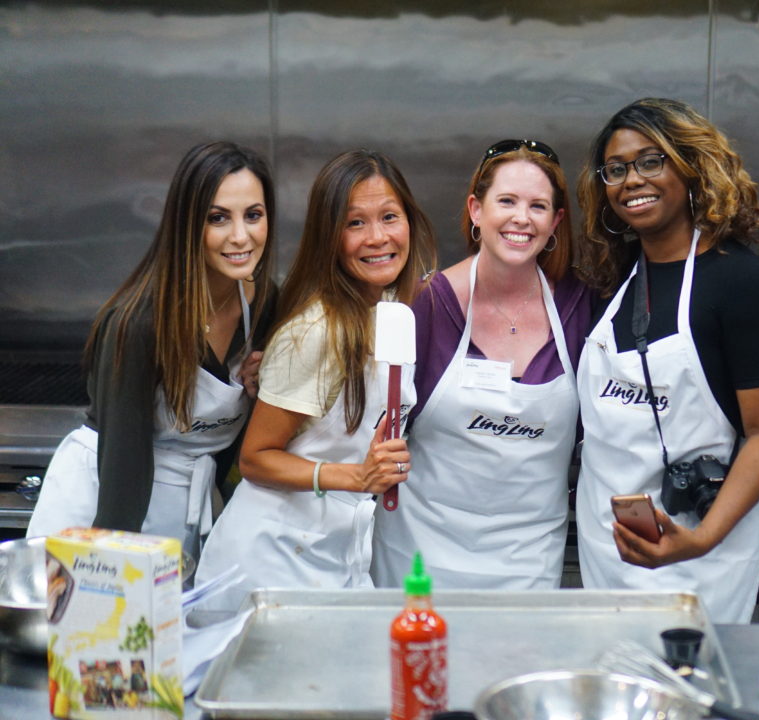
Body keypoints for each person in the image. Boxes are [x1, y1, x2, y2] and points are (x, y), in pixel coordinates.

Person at [574, 98, 759, 623]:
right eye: (617, 169)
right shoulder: (614, 276)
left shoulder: (737, 279)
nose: (632, 180)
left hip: (700, 552)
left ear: (690, 166)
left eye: (652, 161)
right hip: (607, 546)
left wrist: (701, 538)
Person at [195, 149, 437, 608]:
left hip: (334, 553)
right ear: (330, 236)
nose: (378, 237)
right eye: (355, 224)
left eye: (390, 216)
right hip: (271, 560)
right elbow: (256, 458)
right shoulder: (316, 331)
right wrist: (357, 475)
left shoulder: (389, 311)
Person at [27, 141, 277, 560]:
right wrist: (111, 572)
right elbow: (124, 473)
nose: (241, 236)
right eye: (218, 218)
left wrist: (264, 386)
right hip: (105, 507)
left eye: (253, 215)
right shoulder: (138, 324)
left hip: (184, 510)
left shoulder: (263, 301)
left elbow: (238, 449)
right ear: (186, 224)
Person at [371, 140, 592, 589]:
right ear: (476, 209)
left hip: (528, 559)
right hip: (418, 555)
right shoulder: (425, 304)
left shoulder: (580, 307)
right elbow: (363, 415)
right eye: (506, 201)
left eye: (538, 206)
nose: (521, 218)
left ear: (556, 222)